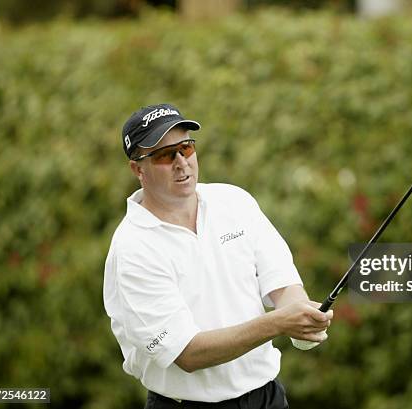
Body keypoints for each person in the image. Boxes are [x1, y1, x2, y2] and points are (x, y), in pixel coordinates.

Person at [103, 103, 332, 409]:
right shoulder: (133, 247)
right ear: (138, 169)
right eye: (164, 155)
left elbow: (283, 285)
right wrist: (279, 323)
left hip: (267, 398)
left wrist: (302, 317)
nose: (181, 163)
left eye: (186, 148)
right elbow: (188, 354)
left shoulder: (234, 201)